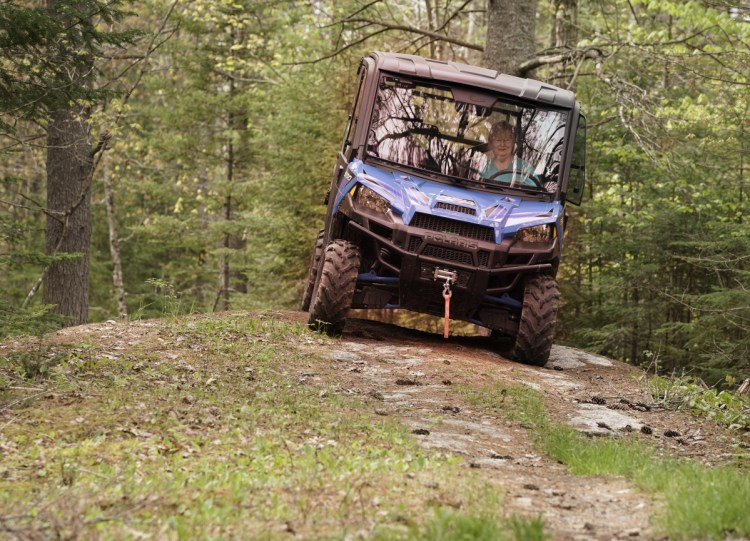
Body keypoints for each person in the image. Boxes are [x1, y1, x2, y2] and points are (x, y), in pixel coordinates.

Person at [481, 121, 537, 186]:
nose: (502, 144)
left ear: (513, 143)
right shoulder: (483, 168)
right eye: (498, 140)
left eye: (507, 140)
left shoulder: (526, 168)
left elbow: (536, 193)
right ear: (491, 143)